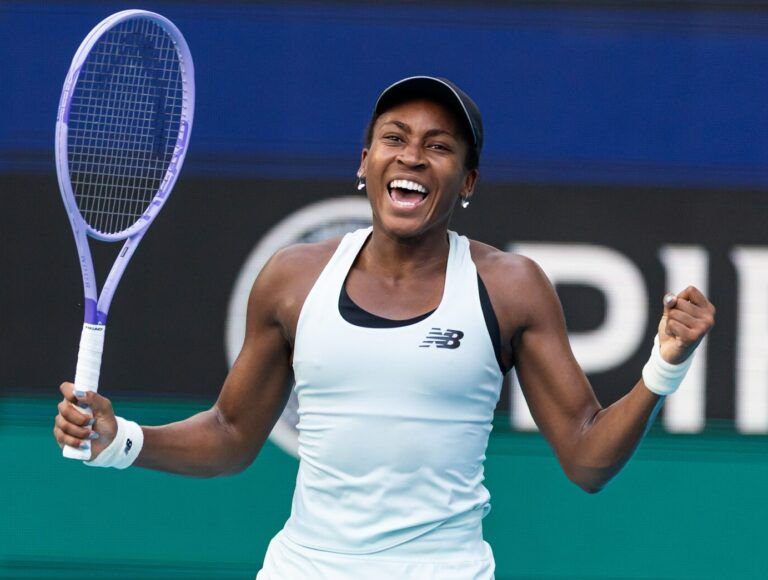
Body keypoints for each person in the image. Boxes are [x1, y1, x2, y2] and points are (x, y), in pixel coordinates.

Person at [53, 76, 716, 579]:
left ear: (467, 182)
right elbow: (230, 434)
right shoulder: (293, 278)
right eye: (395, 139)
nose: (413, 157)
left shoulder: (511, 286)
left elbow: (588, 458)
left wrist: (664, 366)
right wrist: (122, 440)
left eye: (439, 146)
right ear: (364, 161)